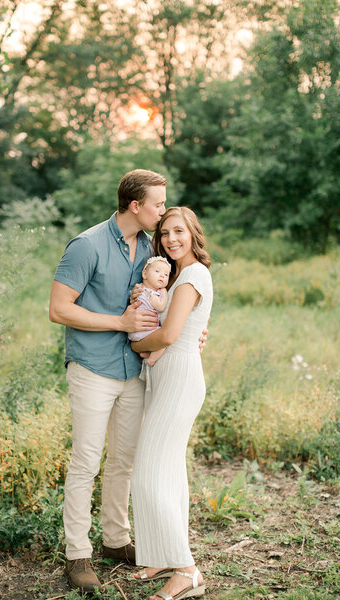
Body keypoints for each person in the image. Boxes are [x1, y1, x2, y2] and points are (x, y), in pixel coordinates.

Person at [49, 169, 167, 592]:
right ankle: (77, 555)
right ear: (135, 205)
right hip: (93, 369)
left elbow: (160, 304)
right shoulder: (87, 245)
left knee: (123, 461)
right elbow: (59, 309)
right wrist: (118, 321)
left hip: (133, 372)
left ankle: (116, 540)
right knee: (86, 462)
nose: (163, 210)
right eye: (158, 203)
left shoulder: (151, 248)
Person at [130, 206, 213, 600]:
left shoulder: (194, 274)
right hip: (165, 378)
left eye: (178, 231)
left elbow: (167, 337)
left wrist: (131, 339)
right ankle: (162, 554)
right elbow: (181, 328)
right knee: (168, 471)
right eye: (164, 233)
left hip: (179, 378)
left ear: (193, 233)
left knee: (149, 470)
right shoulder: (175, 276)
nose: (170, 239)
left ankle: (187, 570)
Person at [128, 256, 171, 367]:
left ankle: (145, 353)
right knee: (163, 340)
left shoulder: (139, 289)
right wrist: (165, 293)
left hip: (136, 332)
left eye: (166, 274)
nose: (162, 275)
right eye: (157, 271)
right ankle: (152, 359)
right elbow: (161, 307)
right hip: (144, 330)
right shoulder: (151, 294)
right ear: (144, 274)